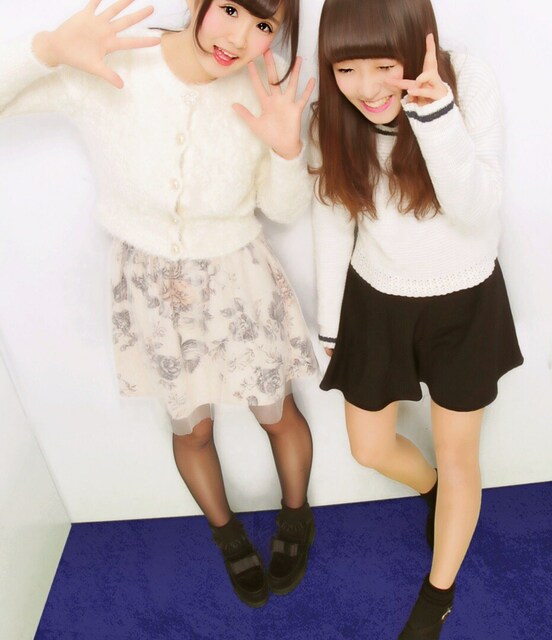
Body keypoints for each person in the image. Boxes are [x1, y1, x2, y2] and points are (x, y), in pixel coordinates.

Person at [0, 0, 318, 608]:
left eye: (264, 26)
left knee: (276, 413)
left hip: (238, 281)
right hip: (150, 290)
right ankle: (226, 534)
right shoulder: (119, 61)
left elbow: (284, 209)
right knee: (191, 428)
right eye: (231, 9)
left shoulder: (265, 81)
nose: (240, 39)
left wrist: (286, 151)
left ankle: (296, 516)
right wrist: (45, 49)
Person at [310, 0, 523, 636]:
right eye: (347, 68)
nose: (367, 88)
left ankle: (438, 592)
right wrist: (332, 325)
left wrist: (434, 113)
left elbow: (477, 210)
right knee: (368, 447)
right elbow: (332, 220)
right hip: (376, 300)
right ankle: (432, 490)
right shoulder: (333, 115)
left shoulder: (467, 80)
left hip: (464, 299)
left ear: (416, 42)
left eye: (385, 64)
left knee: (461, 455)